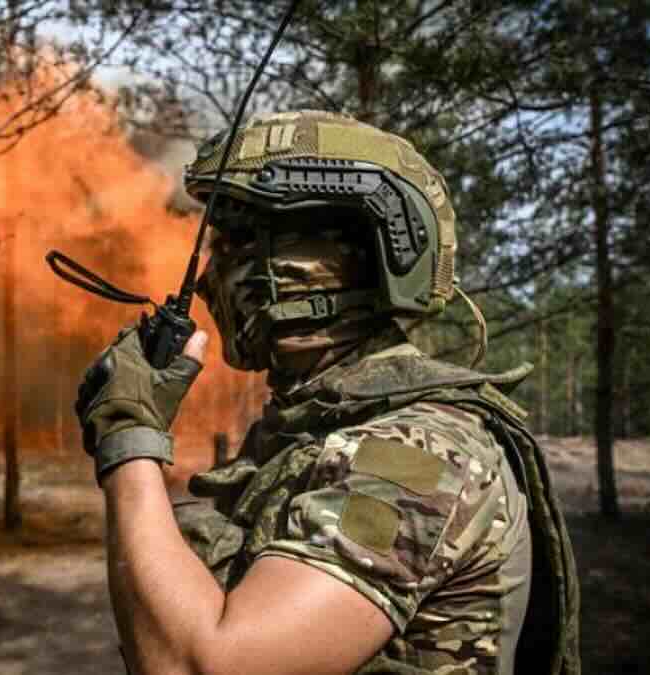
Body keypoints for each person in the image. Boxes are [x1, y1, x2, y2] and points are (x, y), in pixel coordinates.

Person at [75, 110, 580, 675]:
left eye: (237, 244)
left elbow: (204, 665)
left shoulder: (418, 453)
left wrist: (128, 438)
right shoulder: (317, 427)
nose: (207, 275)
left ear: (335, 264)